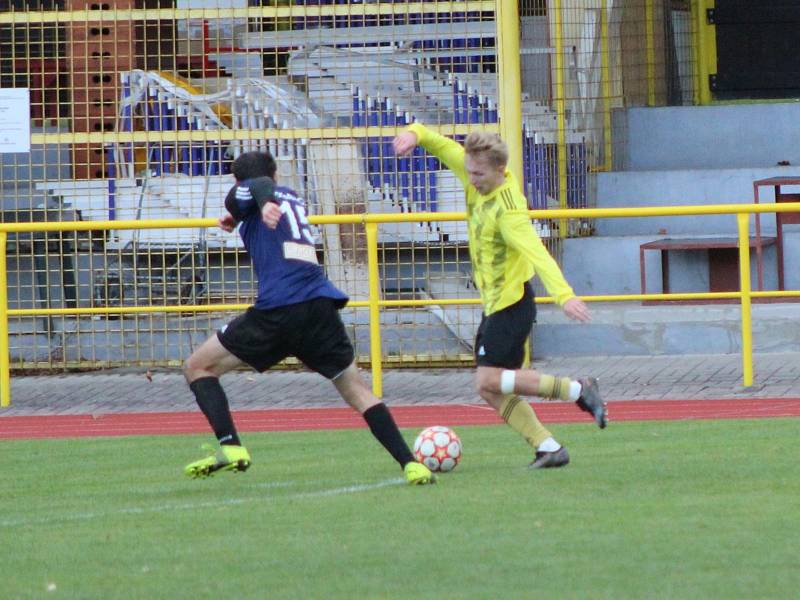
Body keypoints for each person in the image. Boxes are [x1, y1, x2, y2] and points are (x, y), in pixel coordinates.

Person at [183, 151, 435, 485]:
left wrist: (258, 203)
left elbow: (251, 188)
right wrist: (244, 215)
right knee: (357, 390)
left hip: (279, 308)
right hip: (319, 306)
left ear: (238, 180)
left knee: (197, 367)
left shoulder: (254, 192)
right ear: (277, 175)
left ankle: (231, 447)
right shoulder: (292, 197)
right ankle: (411, 464)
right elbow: (257, 196)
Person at [393, 124, 608, 469]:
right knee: (491, 388)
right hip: (495, 306)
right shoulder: (471, 171)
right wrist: (413, 134)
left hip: (511, 305)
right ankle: (548, 447)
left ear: (499, 170)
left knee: (488, 380)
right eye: (470, 171)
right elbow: (437, 142)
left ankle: (578, 390)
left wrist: (564, 296)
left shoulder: (509, 210)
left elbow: (537, 252)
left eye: (478, 174)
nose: (472, 178)